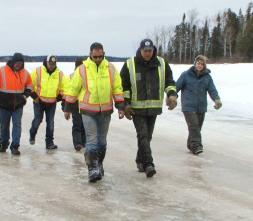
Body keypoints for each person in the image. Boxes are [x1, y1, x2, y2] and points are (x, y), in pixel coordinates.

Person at [64, 43, 125, 182]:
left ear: (104, 54)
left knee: (102, 141)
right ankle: (92, 169)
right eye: (95, 56)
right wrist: (67, 108)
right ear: (90, 54)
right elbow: (73, 89)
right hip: (87, 111)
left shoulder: (111, 68)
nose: (98, 59)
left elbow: (117, 88)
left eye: (100, 56)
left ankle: (99, 164)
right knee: (92, 140)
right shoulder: (82, 69)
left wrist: (120, 106)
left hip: (105, 111)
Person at [120, 38, 177, 177]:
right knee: (143, 135)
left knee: (147, 136)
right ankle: (148, 164)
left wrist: (172, 95)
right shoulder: (130, 64)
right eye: (145, 51)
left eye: (150, 51)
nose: (147, 53)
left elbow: (169, 81)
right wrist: (125, 104)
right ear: (140, 50)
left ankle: (140, 160)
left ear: (153, 50)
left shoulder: (162, 63)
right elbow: (124, 86)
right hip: (136, 109)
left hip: (153, 108)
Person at [176, 55, 222, 155]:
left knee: (197, 127)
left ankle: (191, 144)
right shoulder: (186, 75)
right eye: (198, 63)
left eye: (202, 64)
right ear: (195, 63)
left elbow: (212, 89)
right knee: (194, 127)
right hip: (188, 105)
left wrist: (216, 100)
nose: (200, 65)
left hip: (201, 106)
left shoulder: (207, 77)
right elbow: (176, 87)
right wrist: (172, 97)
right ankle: (196, 146)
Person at [0, 53, 34, 155]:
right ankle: (4, 143)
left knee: (17, 125)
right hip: (3, 105)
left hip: (18, 105)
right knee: (4, 125)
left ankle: (15, 146)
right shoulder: (2, 71)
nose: (19, 65)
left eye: (21, 64)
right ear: (13, 62)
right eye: (17, 63)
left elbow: (30, 86)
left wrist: (25, 96)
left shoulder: (25, 73)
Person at [29, 55, 68, 149]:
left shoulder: (60, 74)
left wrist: (59, 97)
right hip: (39, 102)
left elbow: (65, 88)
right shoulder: (37, 71)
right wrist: (34, 96)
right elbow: (30, 85)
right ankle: (32, 133)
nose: (51, 66)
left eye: (53, 64)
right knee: (38, 120)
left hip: (52, 103)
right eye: (50, 64)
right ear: (46, 62)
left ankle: (49, 143)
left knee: (50, 123)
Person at [62, 57, 86, 151]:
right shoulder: (71, 76)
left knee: (84, 124)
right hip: (75, 104)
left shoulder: (87, 76)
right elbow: (67, 91)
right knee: (77, 124)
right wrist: (65, 106)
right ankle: (77, 143)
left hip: (85, 103)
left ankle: (83, 141)